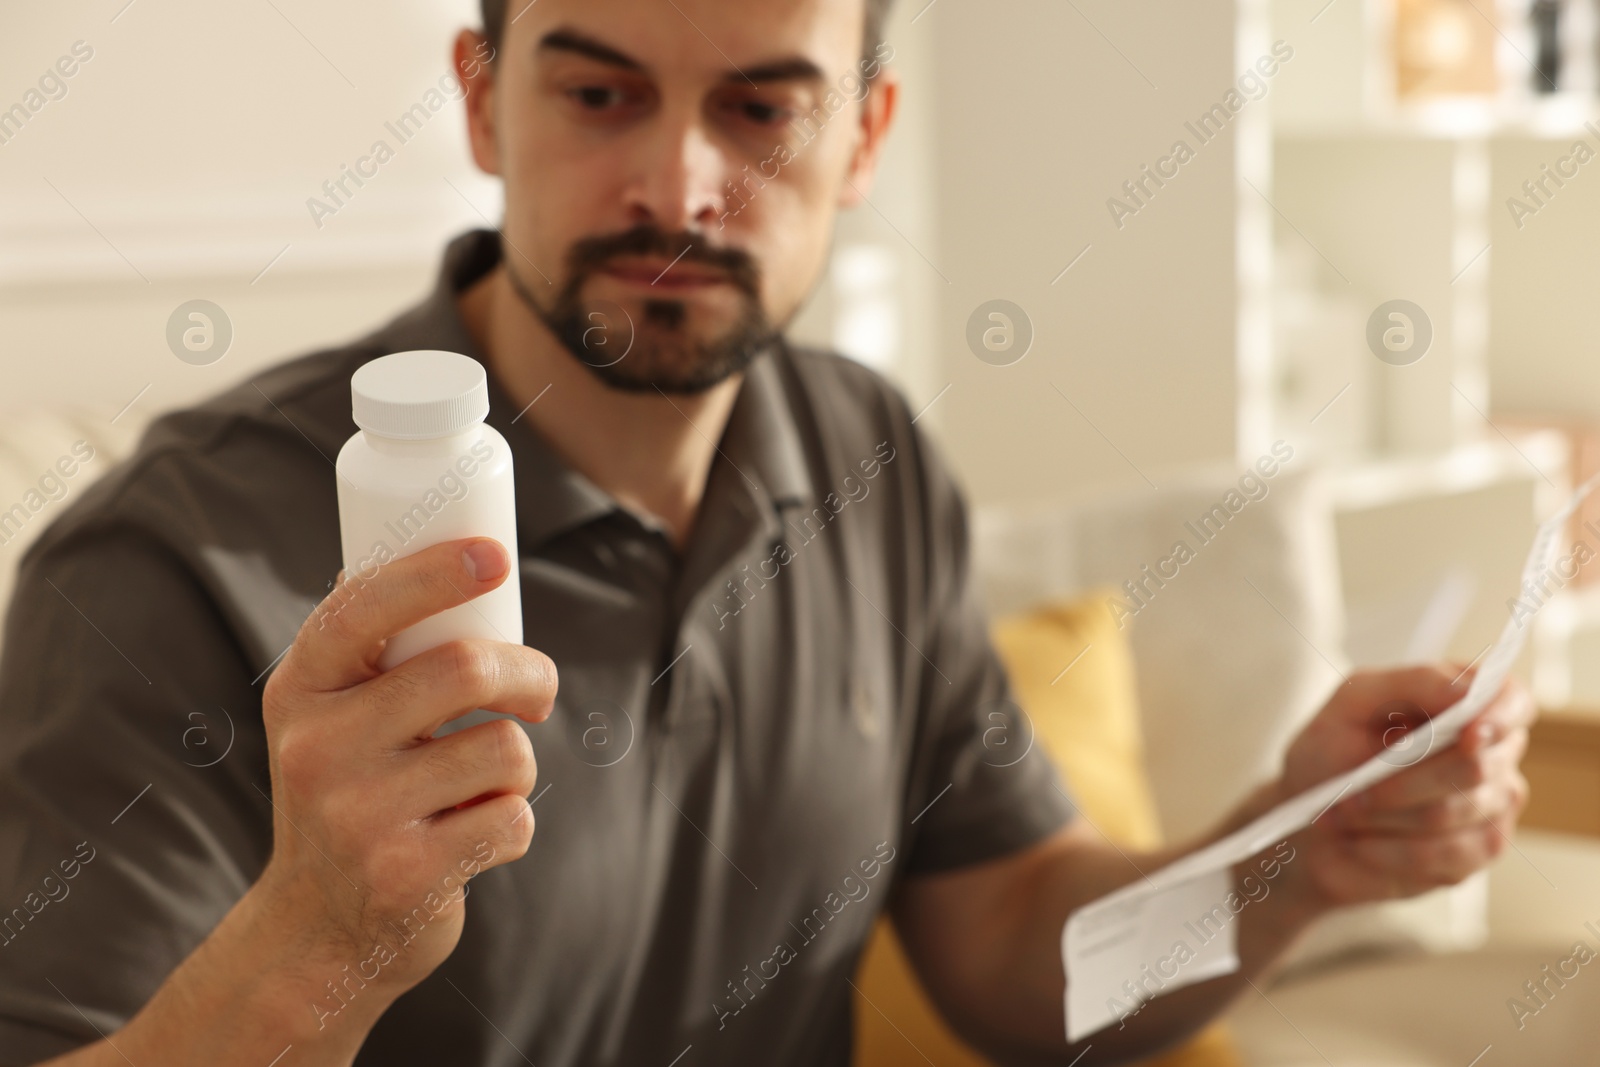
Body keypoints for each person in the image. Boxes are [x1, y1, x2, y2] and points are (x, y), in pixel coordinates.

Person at [0, 1, 1533, 1064]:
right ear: (481, 100)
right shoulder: (172, 561)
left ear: (864, 136)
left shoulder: (868, 460)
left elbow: (1014, 953)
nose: (678, 188)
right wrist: (312, 936)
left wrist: (1290, 856)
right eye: (598, 93)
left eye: (762, 108)